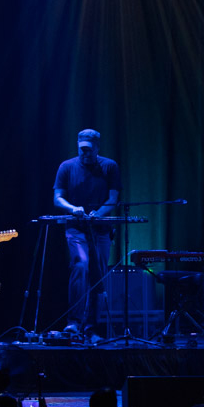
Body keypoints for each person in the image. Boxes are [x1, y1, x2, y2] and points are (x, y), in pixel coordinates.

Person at [53, 129, 121, 340]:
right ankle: (74, 323)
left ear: (97, 148)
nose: (85, 154)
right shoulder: (66, 167)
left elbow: (113, 197)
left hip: (100, 229)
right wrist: (73, 209)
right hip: (76, 228)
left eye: (89, 150)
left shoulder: (109, 166)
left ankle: (91, 327)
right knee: (80, 264)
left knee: (97, 273)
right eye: (82, 150)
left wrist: (98, 214)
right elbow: (58, 198)